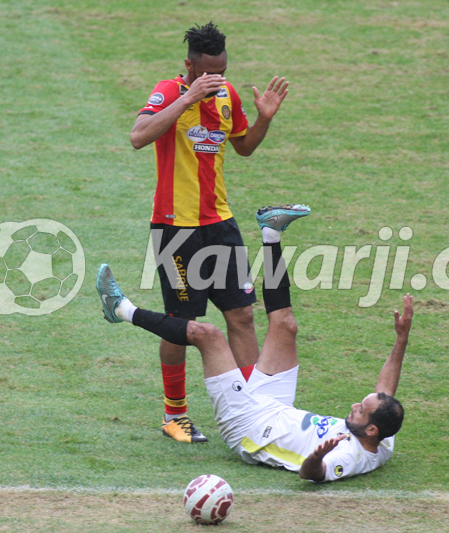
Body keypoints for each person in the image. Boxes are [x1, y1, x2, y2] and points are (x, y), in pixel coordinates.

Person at [96, 210, 413, 482]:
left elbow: (311, 475)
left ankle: (121, 309)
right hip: (276, 405)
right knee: (285, 325)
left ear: (370, 430)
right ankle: (272, 232)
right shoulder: (384, 437)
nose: (355, 406)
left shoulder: (350, 457)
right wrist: (401, 339)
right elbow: (386, 390)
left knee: (208, 335)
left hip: (250, 427)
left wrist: (317, 456)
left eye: (361, 410)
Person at [128, 21, 290, 444]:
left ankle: (255, 410)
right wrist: (187, 98)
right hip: (175, 229)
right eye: (207, 73)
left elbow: (245, 147)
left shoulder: (227, 95)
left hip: (219, 224)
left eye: (222, 71)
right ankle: (174, 415)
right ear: (189, 66)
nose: (216, 80)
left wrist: (264, 119)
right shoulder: (168, 91)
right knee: (182, 322)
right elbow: (139, 137)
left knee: (242, 315)